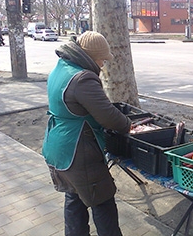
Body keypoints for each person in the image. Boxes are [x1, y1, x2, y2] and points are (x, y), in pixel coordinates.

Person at [42, 31, 132, 236]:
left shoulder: (61, 68)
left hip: (57, 146)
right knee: (103, 204)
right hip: (78, 152)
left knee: (74, 198)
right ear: (91, 56)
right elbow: (108, 116)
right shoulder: (83, 78)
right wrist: (128, 125)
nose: (103, 64)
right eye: (102, 59)